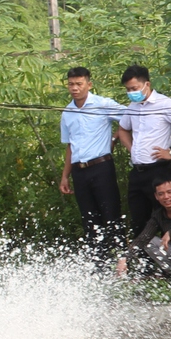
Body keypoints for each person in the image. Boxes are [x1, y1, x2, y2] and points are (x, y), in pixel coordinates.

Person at [116, 65, 171, 235]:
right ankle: (143, 259)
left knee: (168, 216)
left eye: (134, 88)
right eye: (128, 90)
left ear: (147, 84)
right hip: (137, 171)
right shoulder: (132, 107)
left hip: (159, 170)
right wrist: (132, 148)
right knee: (138, 219)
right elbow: (122, 129)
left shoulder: (164, 104)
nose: (131, 92)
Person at [57, 66, 123, 249]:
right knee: (89, 218)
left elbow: (131, 118)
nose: (75, 88)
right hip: (79, 170)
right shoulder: (67, 112)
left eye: (79, 84)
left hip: (101, 166)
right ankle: (98, 264)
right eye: (71, 84)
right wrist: (65, 175)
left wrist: (114, 138)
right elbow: (70, 145)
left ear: (89, 84)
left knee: (110, 213)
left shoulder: (102, 104)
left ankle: (121, 260)